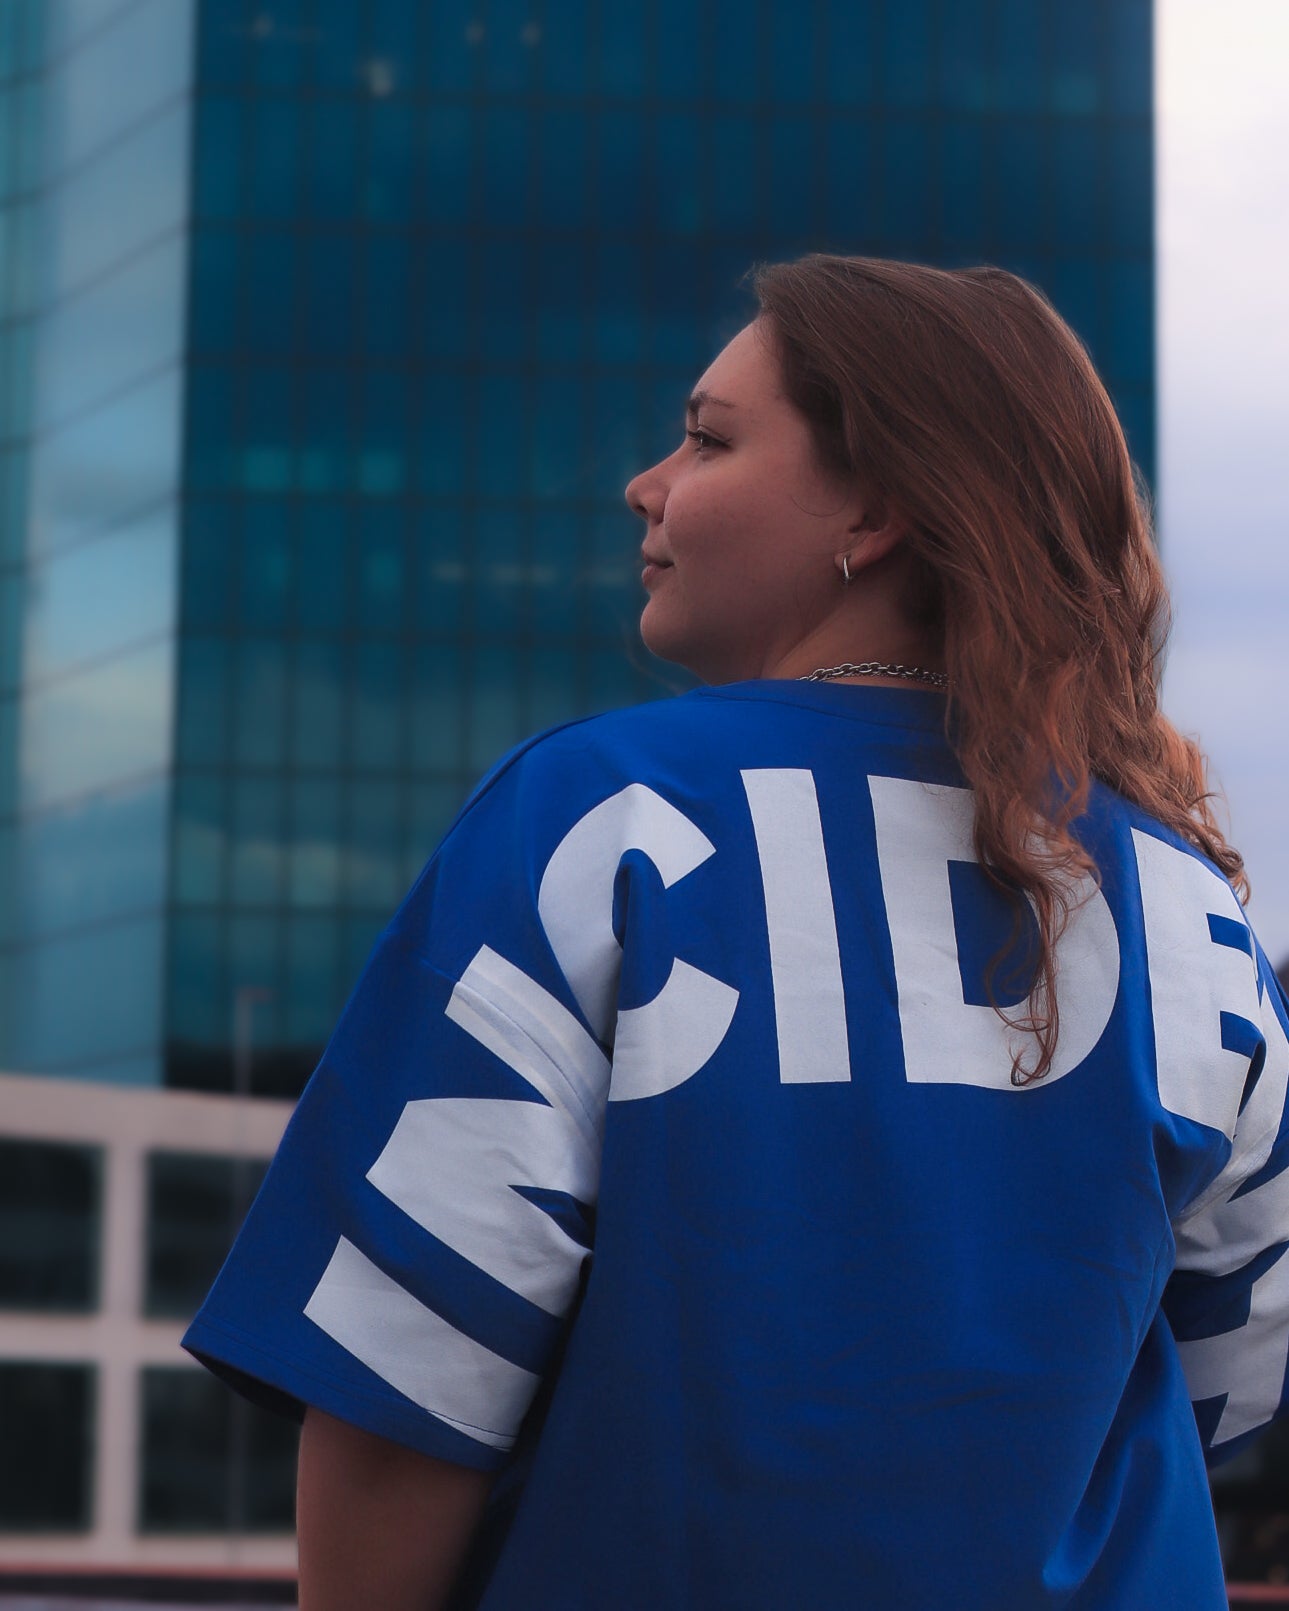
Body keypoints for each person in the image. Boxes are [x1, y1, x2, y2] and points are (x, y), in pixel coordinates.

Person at [183, 254, 1289, 1610]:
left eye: (707, 440)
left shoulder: (604, 817)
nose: (644, 486)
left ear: (876, 509)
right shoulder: (1185, 901)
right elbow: (1239, 1353)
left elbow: (408, 1358)